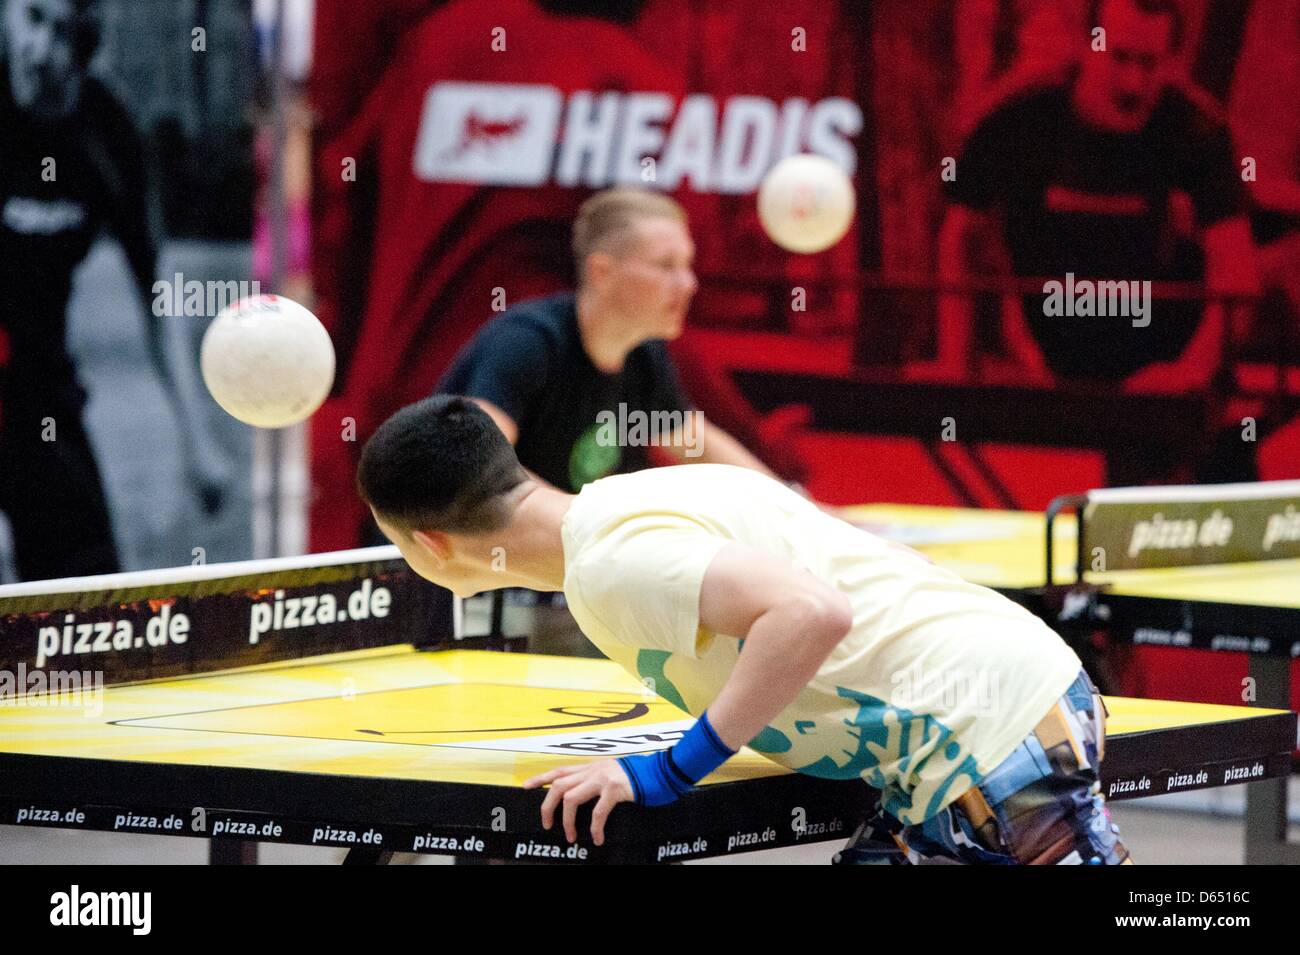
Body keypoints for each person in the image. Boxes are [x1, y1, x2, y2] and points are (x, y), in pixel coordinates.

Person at [357, 395, 1131, 865]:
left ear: (428, 544)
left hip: (990, 734)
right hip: (987, 718)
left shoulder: (609, 566)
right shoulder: (637, 495)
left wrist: (667, 771)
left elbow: (810, 611)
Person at [923, 0, 1256, 397]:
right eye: (1119, 57)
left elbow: (1237, 272)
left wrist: (1192, 370)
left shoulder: (1196, 132)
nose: (1133, 83)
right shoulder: (1015, 120)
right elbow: (959, 237)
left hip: (1167, 377)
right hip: (1048, 368)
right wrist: (956, 360)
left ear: (1171, 62)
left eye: (1150, 63)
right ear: (1086, 44)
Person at [0, 0, 226, 580]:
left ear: (91, 43)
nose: (42, 52)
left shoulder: (107, 135)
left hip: (37, 394)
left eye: (66, 34)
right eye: (32, 18)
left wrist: (197, 442)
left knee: (84, 607)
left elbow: (158, 295)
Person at [438, 188, 784, 492]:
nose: (688, 283)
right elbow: (480, 463)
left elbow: (704, 448)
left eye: (687, 265)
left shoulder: (645, 354)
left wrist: (801, 511)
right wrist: (585, 524)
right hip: (435, 558)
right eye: (666, 265)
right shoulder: (527, 341)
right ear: (601, 272)